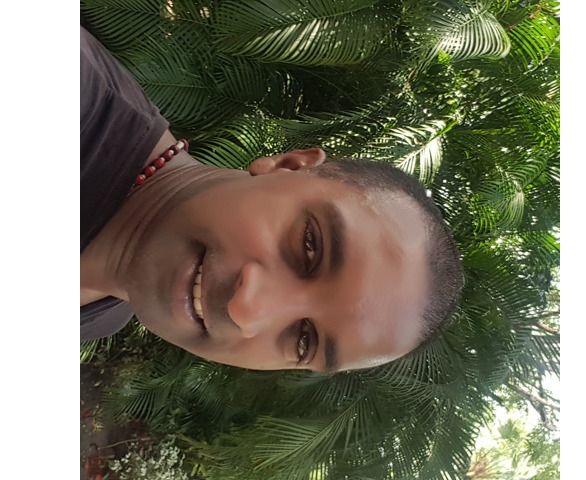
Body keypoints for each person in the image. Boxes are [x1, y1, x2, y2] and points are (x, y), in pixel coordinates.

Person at [80, 26, 463, 373]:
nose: (245, 309)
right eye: (309, 246)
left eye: (304, 341)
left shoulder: (103, 316)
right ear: (287, 165)